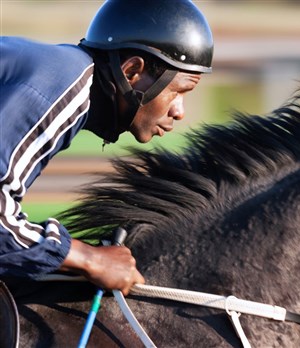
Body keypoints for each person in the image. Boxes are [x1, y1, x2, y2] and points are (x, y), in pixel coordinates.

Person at [0, 0, 214, 295]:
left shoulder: (63, 72)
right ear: (132, 72)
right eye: (178, 91)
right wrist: (89, 259)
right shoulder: (63, 84)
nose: (180, 112)